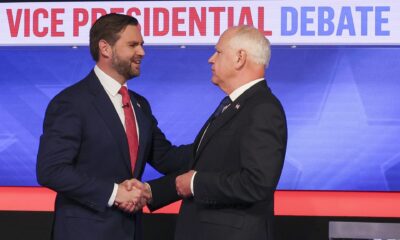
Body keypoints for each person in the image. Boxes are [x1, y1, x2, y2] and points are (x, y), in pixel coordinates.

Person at [36, 13, 191, 240]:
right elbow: (52, 171)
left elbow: (166, 157)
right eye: (133, 45)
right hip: (83, 233)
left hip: (130, 231)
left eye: (142, 44)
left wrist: (214, 144)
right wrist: (115, 192)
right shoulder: (71, 102)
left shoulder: (140, 105)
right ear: (105, 48)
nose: (142, 52)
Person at [148, 25, 288, 240]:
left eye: (218, 52)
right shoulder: (234, 106)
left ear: (240, 58)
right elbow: (198, 161)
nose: (211, 59)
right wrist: (149, 191)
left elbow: (256, 183)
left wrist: (195, 184)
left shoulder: (263, 109)